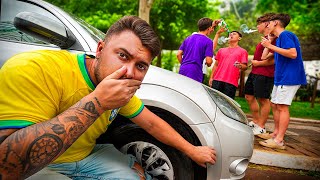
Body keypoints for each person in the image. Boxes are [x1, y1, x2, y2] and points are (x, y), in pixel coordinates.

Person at [0, 16, 217, 179]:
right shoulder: (36, 68)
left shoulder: (122, 89)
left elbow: (151, 123)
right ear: (100, 49)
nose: (129, 72)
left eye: (140, 66)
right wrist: (98, 102)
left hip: (87, 157)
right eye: (122, 56)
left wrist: (192, 150)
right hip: (44, 166)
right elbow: (6, 165)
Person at [258, 13, 307, 149]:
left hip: (289, 77)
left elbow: (293, 53)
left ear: (276, 23)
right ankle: (275, 134)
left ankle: (279, 140)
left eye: (270, 23)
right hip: (281, 78)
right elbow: (263, 57)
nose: (267, 25)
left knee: (282, 107)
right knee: (275, 104)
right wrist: (269, 41)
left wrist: (270, 45)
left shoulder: (286, 35)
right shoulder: (279, 39)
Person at [244, 13, 277, 137]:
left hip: (265, 74)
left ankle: (262, 127)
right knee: (249, 96)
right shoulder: (265, 38)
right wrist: (254, 64)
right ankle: (256, 121)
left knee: (263, 99)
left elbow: (274, 59)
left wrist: (258, 63)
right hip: (255, 72)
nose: (257, 26)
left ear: (266, 24)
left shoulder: (275, 38)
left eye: (259, 24)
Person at [177, 17, 220, 83]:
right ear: (209, 28)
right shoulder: (208, 41)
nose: (212, 30)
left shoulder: (188, 38)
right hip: (195, 71)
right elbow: (208, 61)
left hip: (183, 69)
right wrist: (210, 63)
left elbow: (178, 54)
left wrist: (184, 64)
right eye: (212, 28)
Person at [209, 31, 248, 99]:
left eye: (234, 34)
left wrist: (240, 65)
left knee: (227, 105)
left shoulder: (243, 51)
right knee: (214, 102)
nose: (231, 35)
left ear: (239, 38)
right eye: (230, 34)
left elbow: (245, 67)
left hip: (231, 82)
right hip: (217, 80)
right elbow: (216, 65)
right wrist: (211, 78)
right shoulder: (221, 50)